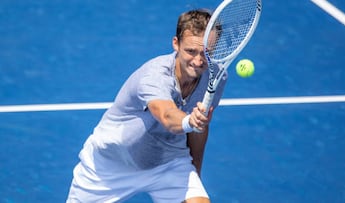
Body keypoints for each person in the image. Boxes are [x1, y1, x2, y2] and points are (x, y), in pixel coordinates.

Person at [67, 8, 227, 203]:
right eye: (191, 51)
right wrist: (188, 121)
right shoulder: (154, 76)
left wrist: (194, 175)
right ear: (175, 44)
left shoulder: (216, 77)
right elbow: (167, 115)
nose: (198, 60)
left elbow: (199, 130)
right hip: (110, 165)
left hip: (169, 163)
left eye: (206, 53)